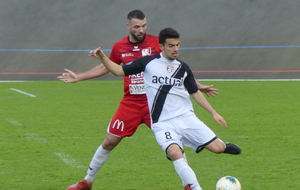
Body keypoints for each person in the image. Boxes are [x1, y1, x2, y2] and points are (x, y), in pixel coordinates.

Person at [58, 10, 219, 190]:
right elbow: (107, 67)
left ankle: (188, 185)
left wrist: (196, 85)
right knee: (110, 141)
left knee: (174, 144)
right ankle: (86, 182)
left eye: (143, 26)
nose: (140, 30)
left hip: (157, 104)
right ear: (128, 26)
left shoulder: (157, 43)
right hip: (131, 103)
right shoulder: (119, 46)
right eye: (136, 26)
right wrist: (79, 77)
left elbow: (175, 69)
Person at [90, 27, 241, 190]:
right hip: (162, 123)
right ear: (161, 46)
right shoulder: (147, 63)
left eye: (177, 45)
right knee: (175, 153)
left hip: (186, 118)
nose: (175, 49)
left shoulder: (183, 68)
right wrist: (102, 57)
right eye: (171, 46)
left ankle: (223, 146)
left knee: (217, 149)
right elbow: (119, 71)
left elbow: (195, 93)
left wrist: (214, 113)